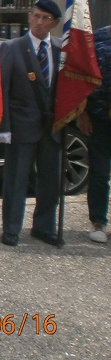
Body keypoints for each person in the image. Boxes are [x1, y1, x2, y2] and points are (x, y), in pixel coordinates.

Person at [0, 0, 64, 246]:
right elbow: (2, 88)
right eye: (36, 16)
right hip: (21, 124)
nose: (39, 22)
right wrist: (4, 126)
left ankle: (44, 227)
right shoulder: (13, 47)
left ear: (54, 22)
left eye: (46, 18)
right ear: (29, 17)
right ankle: (11, 228)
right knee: (16, 180)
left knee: (51, 181)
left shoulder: (61, 48)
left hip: (53, 126)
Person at [78, 24, 111, 244]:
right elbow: (81, 77)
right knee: (100, 173)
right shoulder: (97, 38)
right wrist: (82, 112)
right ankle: (98, 222)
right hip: (99, 117)